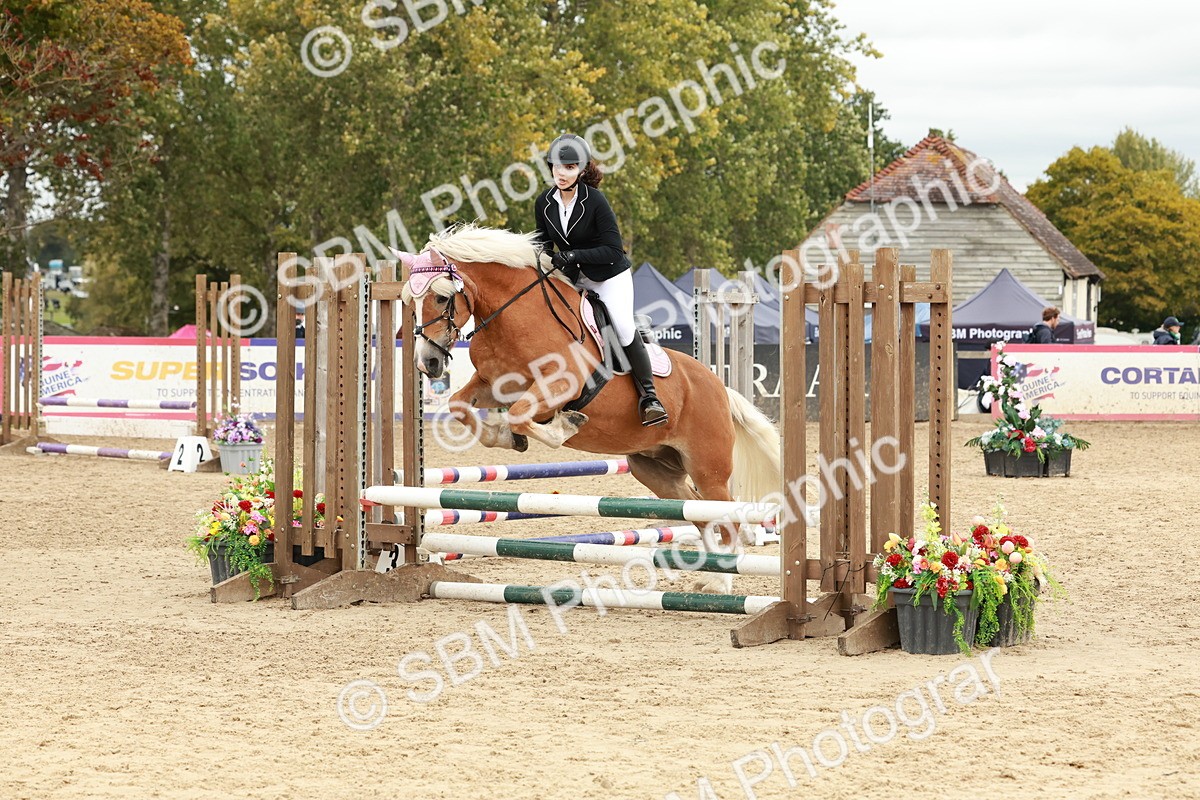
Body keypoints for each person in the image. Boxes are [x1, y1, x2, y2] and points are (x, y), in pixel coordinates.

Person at [534, 133, 668, 427]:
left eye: (569, 167)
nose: (561, 173)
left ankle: (650, 397)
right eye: (556, 166)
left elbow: (613, 249)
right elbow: (542, 245)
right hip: (573, 278)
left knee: (622, 328)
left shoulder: (595, 201)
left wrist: (572, 255)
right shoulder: (544, 202)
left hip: (609, 275)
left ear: (582, 170)